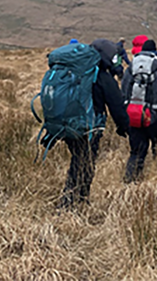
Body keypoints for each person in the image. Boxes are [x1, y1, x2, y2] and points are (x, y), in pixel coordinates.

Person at [58, 38, 130, 209]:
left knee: (77, 159)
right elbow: (117, 106)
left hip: (68, 125)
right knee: (86, 164)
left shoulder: (75, 71)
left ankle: (74, 200)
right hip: (90, 128)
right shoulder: (103, 77)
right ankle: (72, 202)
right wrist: (124, 128)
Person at [121, 39, 157, 182]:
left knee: (136, 152)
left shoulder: (131, 67)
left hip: (133, 115)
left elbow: (123, 90)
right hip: (154, 116)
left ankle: (130, 182)